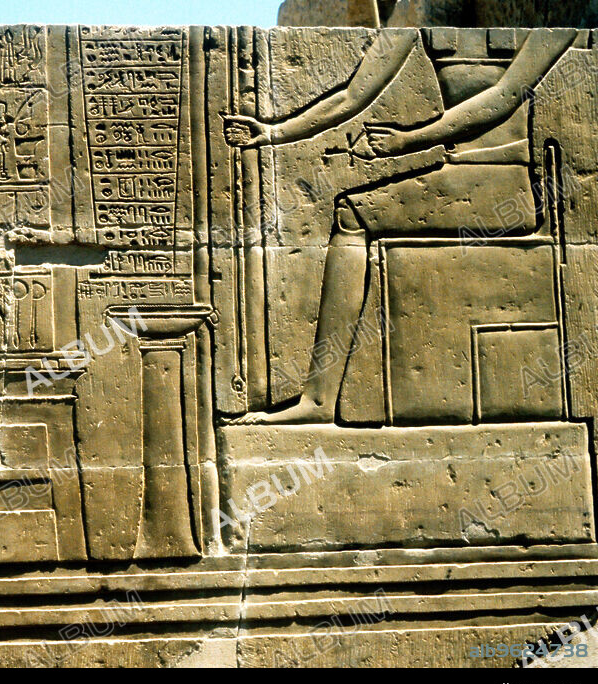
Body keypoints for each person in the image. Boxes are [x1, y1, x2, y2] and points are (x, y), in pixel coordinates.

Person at [223, 27, 577, 423]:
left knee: (351, 214)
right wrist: (275, 131)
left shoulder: (550, 28)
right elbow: (350, 97)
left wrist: (408, 141)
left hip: (501, 186)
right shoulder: (417, 27)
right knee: (351, 210)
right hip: (458, 177)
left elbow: (505, 96)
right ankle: (318, 400)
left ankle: (318, 401)